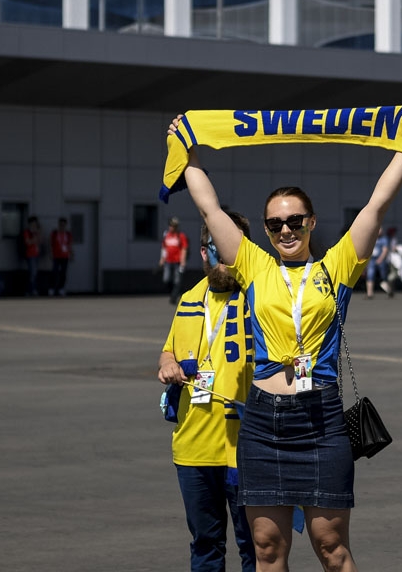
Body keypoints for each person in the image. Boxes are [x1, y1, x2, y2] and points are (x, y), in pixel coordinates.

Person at [171, 109, 402, 572]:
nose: (286, 230)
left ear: (311, 223)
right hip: (262, 426)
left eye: (295, 221)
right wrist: (186, 147)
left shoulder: (337, 267)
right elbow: (209, 208)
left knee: (331, 548)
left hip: (321, 420)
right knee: (268, 550)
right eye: (275, 224)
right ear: (266, 229)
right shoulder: (254, 265)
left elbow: (375, 206)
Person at [158, 211, 257, 572]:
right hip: (193, 448)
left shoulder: (260, 297)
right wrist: (167, 363)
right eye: (217, 248)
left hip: (245, 448)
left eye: (233, 249)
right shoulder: (188, 299)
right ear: (203, 252)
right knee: (205, 546)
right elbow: (169, 348)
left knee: (258, 550)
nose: (225, 258)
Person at [160, 217, 190, 305]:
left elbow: (184, 249)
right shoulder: (166, 235)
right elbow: (164, 248)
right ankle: (172, 293)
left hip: (177, 261)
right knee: (166, 279)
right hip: (168, 261)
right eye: (171, 226)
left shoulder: (181, 236)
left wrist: (183, 261)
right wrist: (162, 259)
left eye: (174, 226)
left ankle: (173, 297)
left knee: (177, 280)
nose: (172, 228)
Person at [364, 226, 390, 299]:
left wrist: (381, 259)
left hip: (380, 259)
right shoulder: (371, 239)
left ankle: (388, 290)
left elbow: (385, 250)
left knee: (383, 276)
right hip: (372, 259)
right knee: (370, 275)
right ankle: (369, 293)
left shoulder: (384, 239)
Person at [50, 218, 74, 296]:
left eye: (63, 225)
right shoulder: (54, 233)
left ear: (65, 225)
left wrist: (71, 254)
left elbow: (70, 245)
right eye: (60, 225)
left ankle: (61, 288)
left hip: (65, 256)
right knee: (54, 272)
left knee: (63, 273)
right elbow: (51, 244)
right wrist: (51, 253)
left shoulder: (68, 234)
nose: (62, 226)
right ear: (58, 225)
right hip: (56, 256)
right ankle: (52, 288)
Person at [384, 227, 402, 297]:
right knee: (394, 274)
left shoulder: (392, 239)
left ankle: (391, 290)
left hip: (391, 259)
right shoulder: (390, 240)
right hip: (392, 260)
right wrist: (396, 249)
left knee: (394, 275)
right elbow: (392, 249)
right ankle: (386, 284)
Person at [22, 216, 42, 295]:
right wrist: (34, 237)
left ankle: (32, 289)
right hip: (30, 255)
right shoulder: (27, 232)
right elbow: (28, 242)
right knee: (32, 273)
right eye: (33, 223)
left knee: (35, 273)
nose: (34, 224)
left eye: (35, 223)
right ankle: (30, 290)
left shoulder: (37, 232)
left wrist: (38, 233)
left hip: (36, 254)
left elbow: (40, 241)